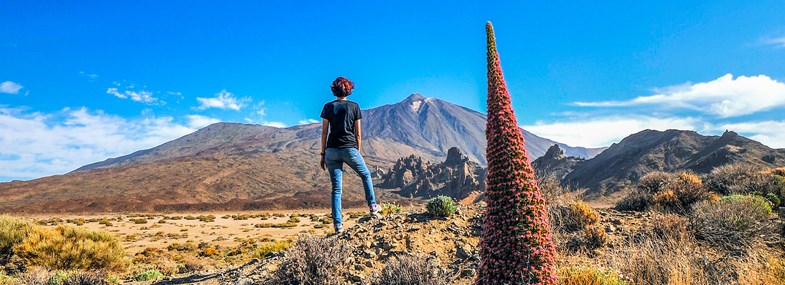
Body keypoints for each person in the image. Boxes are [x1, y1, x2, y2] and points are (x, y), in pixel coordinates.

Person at [320, 76, 381, 234]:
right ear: (349, 89)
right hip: (349, 148)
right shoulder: (354, 106)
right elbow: (358, 134)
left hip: (331, 150)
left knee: (336, 190)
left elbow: (324, 133)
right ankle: (373, 207)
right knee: (366, 175)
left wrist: (322, 154)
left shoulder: (328, 107)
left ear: (334, 89)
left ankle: (338, 226)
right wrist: (357, 152)